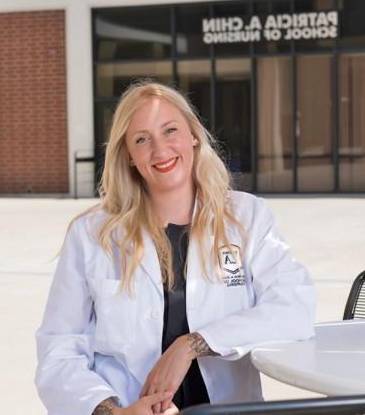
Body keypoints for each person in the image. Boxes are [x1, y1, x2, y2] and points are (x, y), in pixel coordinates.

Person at [35, 81, 316, 415]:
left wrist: (191, 344)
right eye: (142, 139)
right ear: (129, 156)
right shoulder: (92, 235)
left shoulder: (246, 217)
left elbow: (293, 308)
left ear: (193, 136)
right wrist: (113, 412)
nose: (160, 150)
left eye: (170, 131)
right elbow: (59, 349)